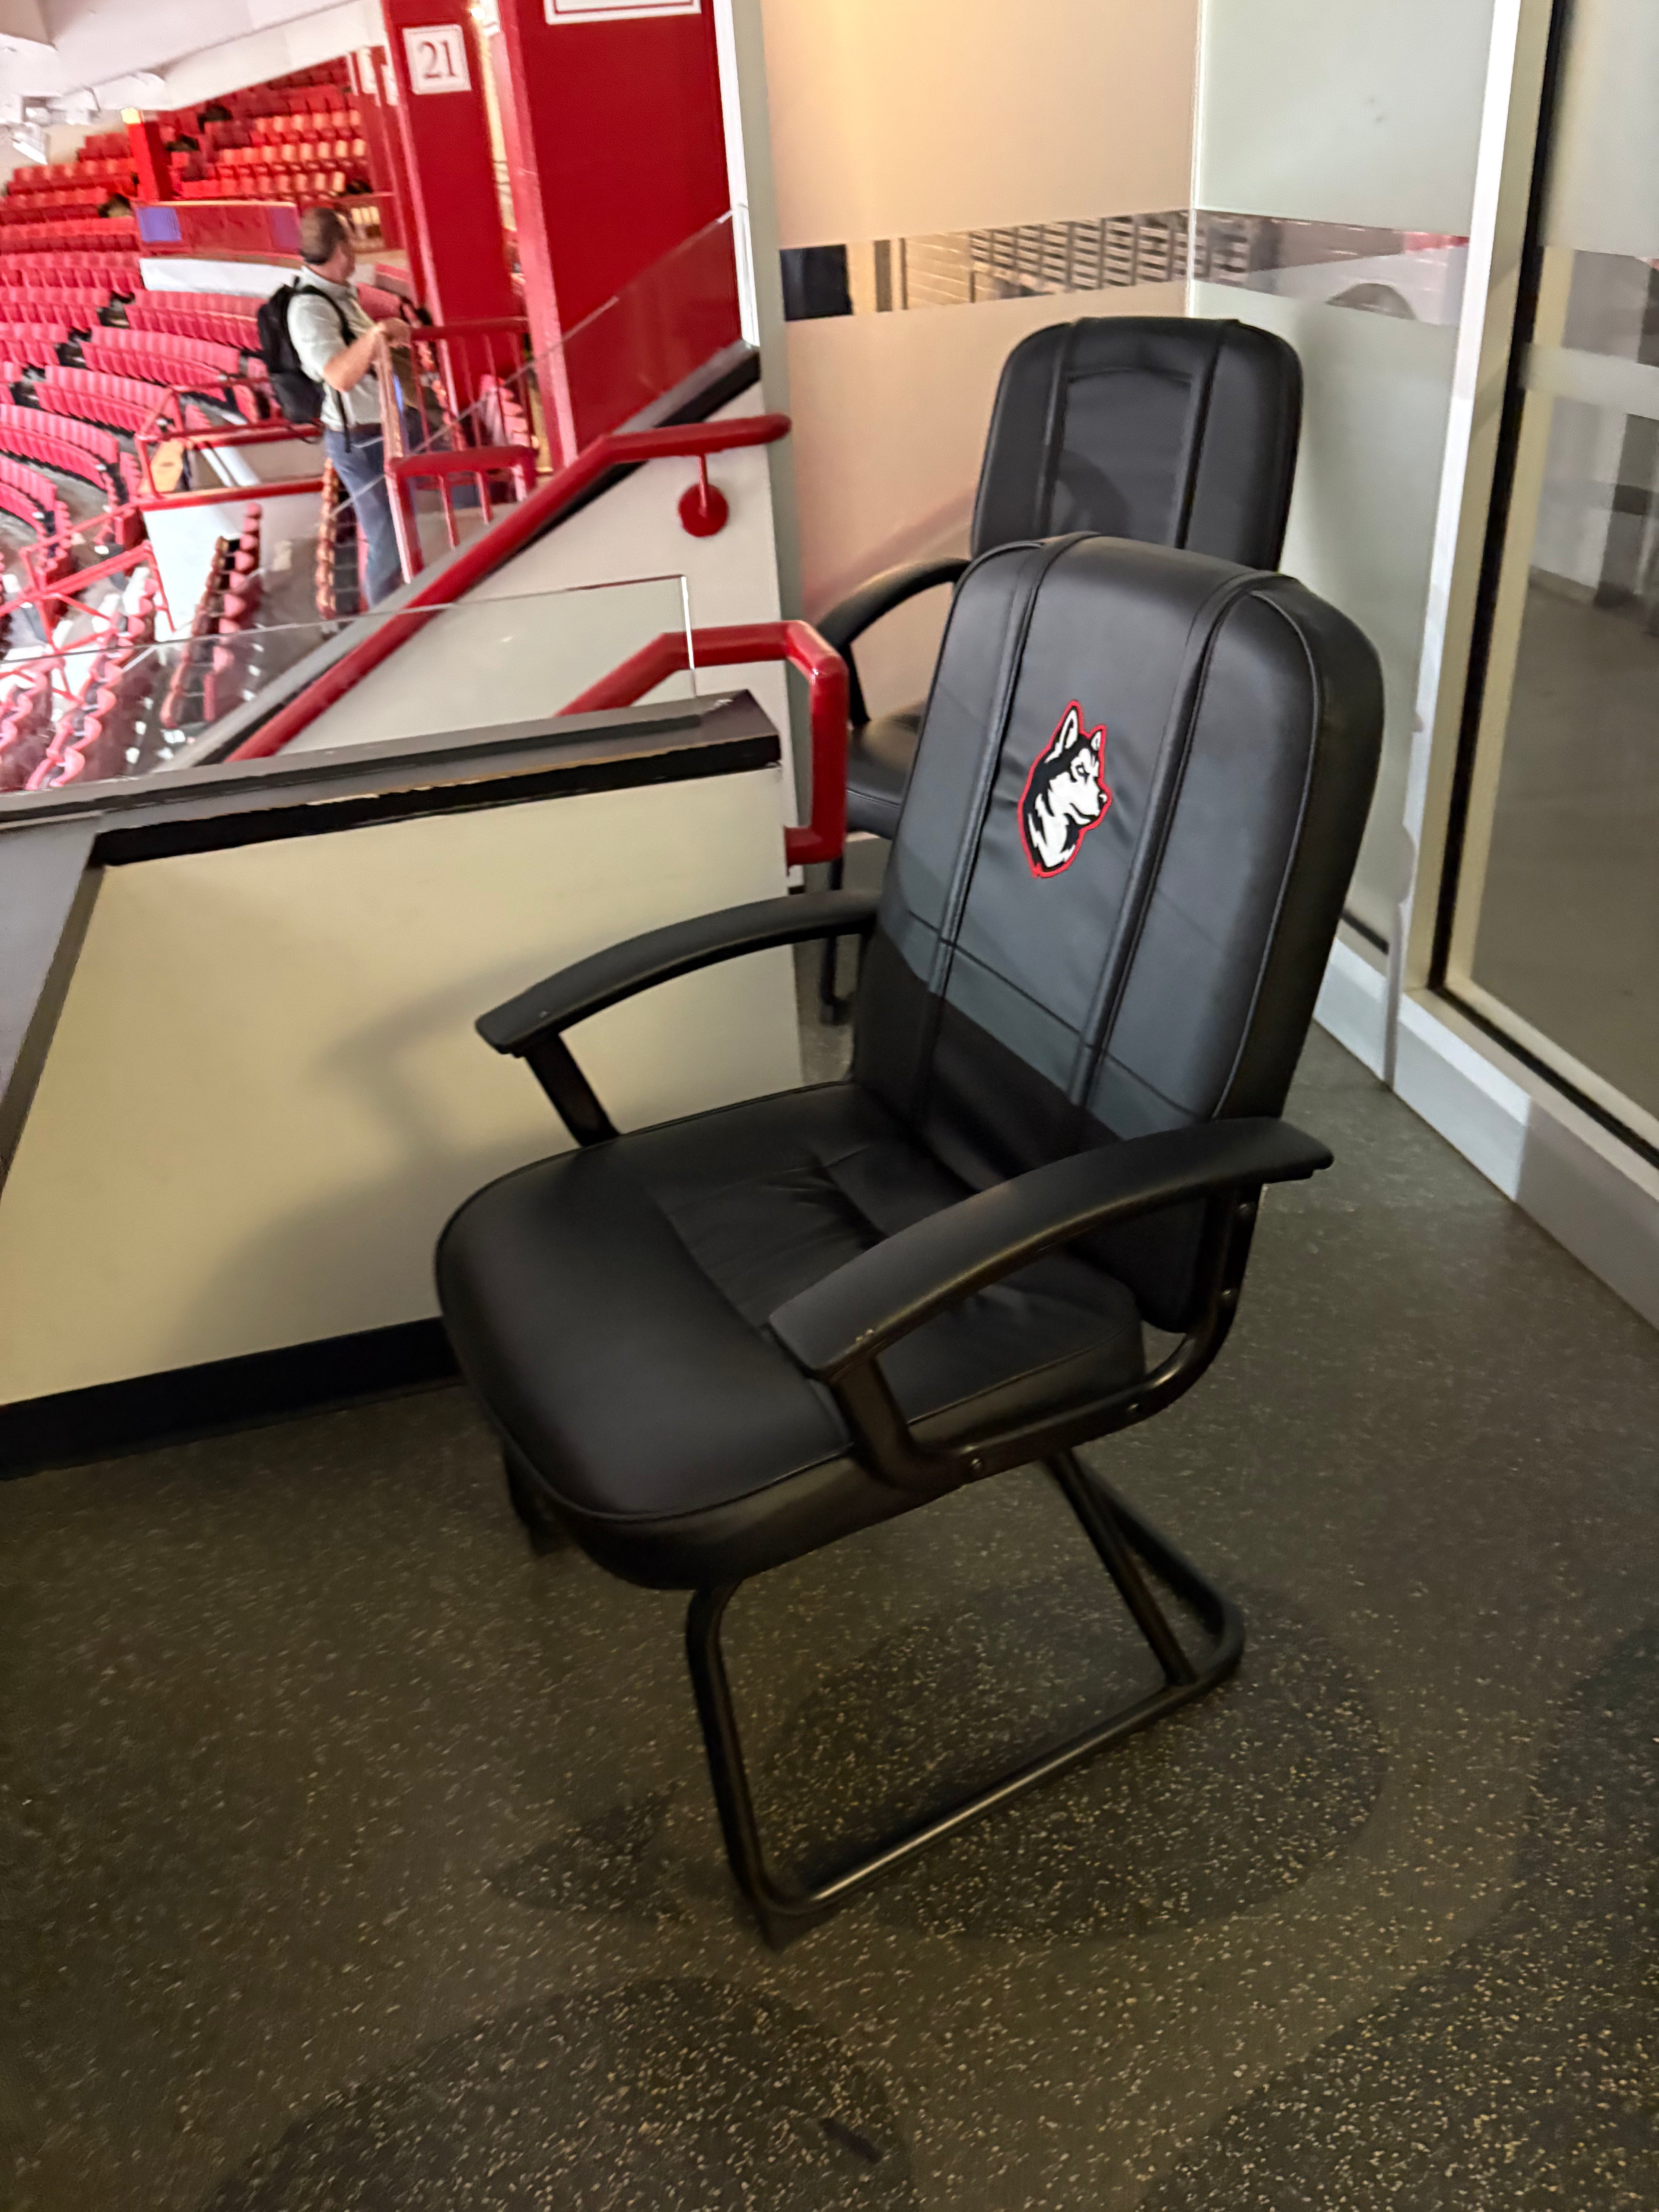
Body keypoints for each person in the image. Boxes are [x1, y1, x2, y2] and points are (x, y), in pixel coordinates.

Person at [286, 205, 411, 606]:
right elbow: (339, 375)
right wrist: (378, 335)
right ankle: (388, 621)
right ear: (341, 249)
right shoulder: (310, 308)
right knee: (387, 540)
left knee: (402, 532)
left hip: (379, 431)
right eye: (352, 243)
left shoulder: (338, 296)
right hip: (360, 442)